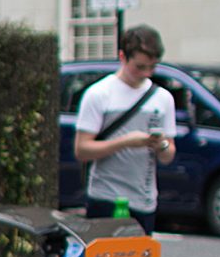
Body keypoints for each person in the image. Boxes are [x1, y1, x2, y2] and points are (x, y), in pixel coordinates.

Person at [72, 25, 178, 232]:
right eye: (139, 67)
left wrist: (161, 144)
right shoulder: (99, 94)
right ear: (122, 56)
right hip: (105, 196)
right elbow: (82, 150)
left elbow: (168, 155)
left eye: (152, 67)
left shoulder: (163, 98)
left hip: (144, 200)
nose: (146, 73)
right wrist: (125, 142)